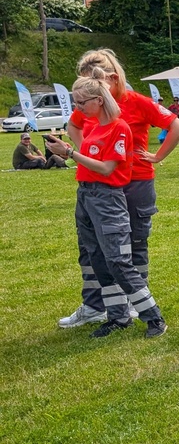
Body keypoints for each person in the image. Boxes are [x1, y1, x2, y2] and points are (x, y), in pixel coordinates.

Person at [57, 49, 179, 329]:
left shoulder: (135, 103)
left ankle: (137, 304)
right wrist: (87, 153)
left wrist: (157, 156)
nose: (89, 92)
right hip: (101, 186)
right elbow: (73, 127)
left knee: (133, 247)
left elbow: (177, 126)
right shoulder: (90, 105)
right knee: (92, 249)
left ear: (112, 78)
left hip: (134, 183)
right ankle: (95, 305)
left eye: (96, 83)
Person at [45, 75, 167, 338]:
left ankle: (154, 318)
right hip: (86, 196)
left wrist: (69, 154)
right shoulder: (93, 127)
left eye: (81, 102)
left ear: (99, 101)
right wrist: (69, 149)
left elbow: (106, 168)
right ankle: (118, 317)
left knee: (118, 260)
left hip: (107, 199)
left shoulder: (118, 127)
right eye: (75, 102)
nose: (77, 108)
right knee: (97, 258)